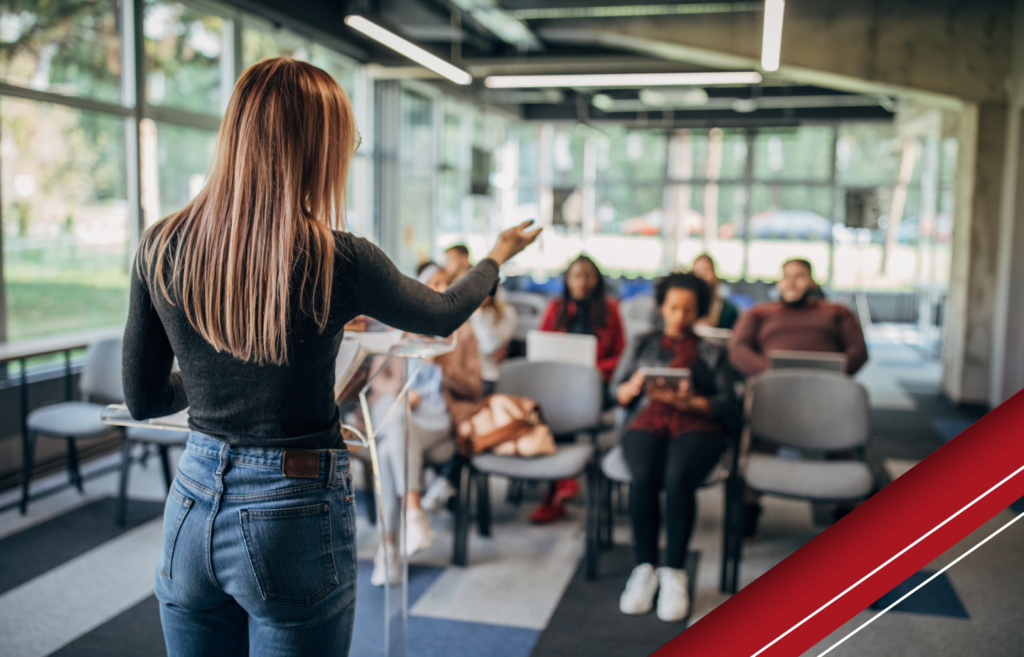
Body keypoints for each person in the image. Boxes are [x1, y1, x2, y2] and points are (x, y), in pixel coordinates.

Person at [122, 58, 540, 657]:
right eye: (347, 141)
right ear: (316, 147)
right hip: (291, 508)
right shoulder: (338, 257)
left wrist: (214, 384)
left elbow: (144, 400)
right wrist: (497, 255)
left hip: (190, 500)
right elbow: (445, 310)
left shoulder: (161, 243)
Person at [613, 272, 739, 623]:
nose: (679, 316)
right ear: (661, 307)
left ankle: (675, 572)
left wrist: (692, 403)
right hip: (647, 419)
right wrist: (633, 386)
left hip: (697, 423)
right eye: (673, 308)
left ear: (698, 311)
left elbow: (728, 403)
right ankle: (645, 566)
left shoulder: (712, 350)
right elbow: (616, 392)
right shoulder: (642, 342)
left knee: (678, 476)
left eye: (687, 309)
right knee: (643, 474)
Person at [365, 266, 483, 586]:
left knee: (391, 446)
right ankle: (412, 513)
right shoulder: (398, 328)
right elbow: (378, 383)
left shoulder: (462, 333)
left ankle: (388, 547)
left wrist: (445, 368)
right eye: (431, 284)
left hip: (437, 424)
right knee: (395, 427)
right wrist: (404, 393)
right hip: (400, 417)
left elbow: (474, 389)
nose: (438, 290)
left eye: (444, 284)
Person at [533, 255, 626, 524]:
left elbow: (621, 356)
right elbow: (542, 349)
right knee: (548, 406)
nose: (582, 282)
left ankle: (560, 486)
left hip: (597, 385)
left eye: (587, 276)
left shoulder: (610, 309)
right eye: (576, 276)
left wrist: (590, 369)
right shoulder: (555, 309)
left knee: (564, 407)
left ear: (597, 280)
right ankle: (560, 484)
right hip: (557, 385)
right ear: (567, 280)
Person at [728, 258, 869, 377]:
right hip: (772, 382)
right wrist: (768, 372)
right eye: (785, 277)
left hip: (827, 383)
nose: (791, 283)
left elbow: (859, 351)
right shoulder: (758, 312)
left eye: (799, 276)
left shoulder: (838, 311)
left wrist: (833, 373)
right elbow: (738, 348)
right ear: (778, 283)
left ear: (813, 282)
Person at [470, 286, 518, 397]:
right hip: (468, 374)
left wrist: (478, 314)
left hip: (489, 373)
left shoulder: (506, 313)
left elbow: (490, 347)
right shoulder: (461, 313)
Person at [691, 253, 740, 330]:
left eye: (705, 271)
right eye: (697, 272)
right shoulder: (685, 308)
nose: (701, 276)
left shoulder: (729, 311)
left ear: (714, 274)